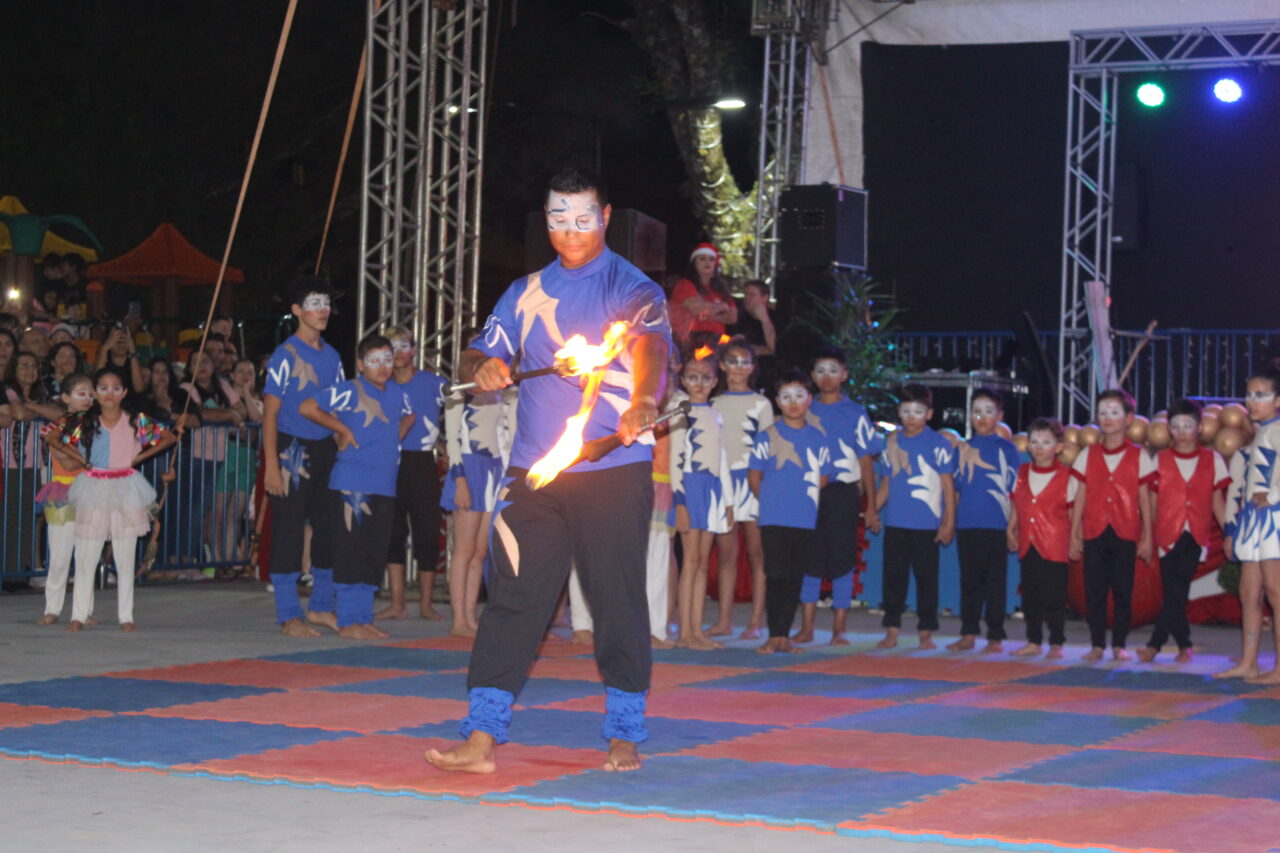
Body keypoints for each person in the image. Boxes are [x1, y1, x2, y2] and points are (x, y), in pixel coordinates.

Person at [426, 166, 670, 776]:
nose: (570, 230)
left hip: (613, 467)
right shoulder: (526, 289)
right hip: (534, 474)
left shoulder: (632, 286)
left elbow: (652, 349)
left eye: (582, 217)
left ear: (605, 216)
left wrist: (644, 399)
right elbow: (481, 347)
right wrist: (482, 364)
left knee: (615, 600)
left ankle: (623, 732)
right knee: (513, 600)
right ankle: (481, 736)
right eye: (558, 218)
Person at [300, 334, 413, 639]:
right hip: (353, 485)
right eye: (374, 361)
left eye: (388, 360)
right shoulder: (350, 390)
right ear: (361, 364)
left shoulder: (398, 394)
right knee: (351, 552)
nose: (382, 367)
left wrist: (394, 437)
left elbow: (411, 415)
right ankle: (349, 620)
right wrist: (341, 429)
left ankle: (362, 616)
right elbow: (308, 407)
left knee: (373, 554)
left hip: (385, 486)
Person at [56, 366, 176, 631]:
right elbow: (56, 438)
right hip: (94, 485)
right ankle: (78, 614)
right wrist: (80, 459)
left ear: (124, 392)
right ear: (95, 394)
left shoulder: (135, 420)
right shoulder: (86, 421)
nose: (109, 394)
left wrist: (140, 457)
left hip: (126, 485)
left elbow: (167, 437)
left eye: (115, 388)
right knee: (86, 553)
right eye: (103, 388)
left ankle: (126, 616)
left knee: (125, 554)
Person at [262, 277, 345, 638]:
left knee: (328, 529)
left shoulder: (333, 356)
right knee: (289, 531)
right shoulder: (286, 354)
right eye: (314, 303)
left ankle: (322, 607)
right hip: (291, 448)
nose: (322, 309)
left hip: (325, 448)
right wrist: (272, 465)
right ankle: (288, 614)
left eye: (325, 302)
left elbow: (339, 406)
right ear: (296, 310)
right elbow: (270, 413)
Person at [794, 348, 883, 646]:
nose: (826, 376)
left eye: (833, 370)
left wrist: (870, 505)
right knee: (809, 556)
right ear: (812, 376)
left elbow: (866, 460)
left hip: (843, 492)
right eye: (820, 370)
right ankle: (806, 626)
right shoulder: (803, 409)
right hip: (808, 493)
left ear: (844, 375)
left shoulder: (855, 412)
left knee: (843, 557)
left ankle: (839, 627)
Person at [1136, 399, 1229, 664]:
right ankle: (1183, 645)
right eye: (1176, 426)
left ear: (1200, 427)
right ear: (1169, 430)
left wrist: (1229, 534)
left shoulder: (1213, 459)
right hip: (1166, 534)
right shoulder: (1160, 459)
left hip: (1195, 535)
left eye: (1188, 425)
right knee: (1173, 592)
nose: (1182, 431)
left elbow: (1217, 502)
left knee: (1178, 590)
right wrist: (1146, 536)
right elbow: (1151, 501)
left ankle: (1156, 645)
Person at [748, 370, 834, 654]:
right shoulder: (768, 436)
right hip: (774, 517)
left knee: (795, 575)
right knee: (776, 574)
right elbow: (754, 475)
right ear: (777, 402)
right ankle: (774, 635)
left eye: (799, 396)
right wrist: (770, 501)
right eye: (786, 397)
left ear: (809, 399)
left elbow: (823, 477)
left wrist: (802, 500)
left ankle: (785, 635)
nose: (793, 402)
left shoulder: (818, 437)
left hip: (804, 517)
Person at [1069, 389, 1156, 662]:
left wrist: (1147, 536)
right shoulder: (1088, 454)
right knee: (1094, 589)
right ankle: (1096, 644)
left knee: (1122, 590)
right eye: (1103, 413)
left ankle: (1119, 644)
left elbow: (1145, 498)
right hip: (1094, 530)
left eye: (1114, 412)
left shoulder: (1139, 456)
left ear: (1128, 418)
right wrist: (1074, 533)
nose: (1107, 418)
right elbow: (1080, 494)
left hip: (1125, 530)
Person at [874, 383, 957, 650]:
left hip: (926, 525)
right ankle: (892, 629)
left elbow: (948, 487)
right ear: (899, 412)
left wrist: (948, 522)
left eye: (918, 411)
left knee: (926, 580)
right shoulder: (892, 442)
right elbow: (885, 484)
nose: (911, 417)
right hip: (896, 523)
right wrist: (872, 511)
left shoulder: (939, 444)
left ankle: (926, 631)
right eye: (906, 411)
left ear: (929, 414)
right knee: (893, 579)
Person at [376, 326, 450, 626]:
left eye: (403, 346)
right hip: (390, 463)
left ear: (414, 350)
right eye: (392, 347)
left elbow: (460, 410)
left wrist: (447, 447)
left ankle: (427, 604)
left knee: (426, 533)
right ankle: (397, 603)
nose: (398, 353)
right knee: (392, 533)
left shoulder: (432, 383)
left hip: (422, 463)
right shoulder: (381, 386)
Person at [1217, 371, 1280, 681]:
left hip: (1273, 519)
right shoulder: (1260, 434)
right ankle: (1249, 661)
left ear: (1278, 401)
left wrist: (1273, 495)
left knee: (1275, 591)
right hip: (1254, 519)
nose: (1252, 402)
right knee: (1249, 591)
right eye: (1249, 394)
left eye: (1261, 395)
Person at [708, 336, 773, 638]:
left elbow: (768, 448)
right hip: (723, 483)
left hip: (753, 480)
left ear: (752, 367)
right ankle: (724, 619)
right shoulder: (713, 403)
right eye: (731, 361)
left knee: (758, 552)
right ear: (721, 366)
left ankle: (756, 621)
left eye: (744, 362)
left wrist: (761, 484)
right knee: (726, 553)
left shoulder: (761, 404)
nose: (737, 367)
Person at [439, 379, 515, 629]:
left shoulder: (503, 392)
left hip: (494, 469)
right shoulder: (459, 392)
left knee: (480, 553)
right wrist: (459, 480)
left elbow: (507, 434)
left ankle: (470, 617)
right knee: (464, 550)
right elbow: (451, 439)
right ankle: (458, 620)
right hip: (468, 468)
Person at [670, 349, 732, 650]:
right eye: (692, 378)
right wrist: (679, 502)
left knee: (702, 563)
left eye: (705, 378)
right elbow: (675, 460)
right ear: (682, 380)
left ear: (714, 381)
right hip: (690, 486)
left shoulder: (715, 414)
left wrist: (728, 502)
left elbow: (722, 459)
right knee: (690, 560)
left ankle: (696, 630)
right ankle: (685, 632)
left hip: (712, 488)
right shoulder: (681, 411)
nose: (698, 383)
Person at [948, 388, 1019, 653]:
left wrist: (1013, 527)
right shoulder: (962, 448)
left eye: (989, 411)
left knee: (995, 582)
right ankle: (968, 632)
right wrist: (951, 521)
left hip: (997, 524)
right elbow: (955, 489)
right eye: (977, 411)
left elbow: (1015, 491)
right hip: (967, 524)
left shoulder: (1007, 449)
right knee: (969, 580)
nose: (982, 417)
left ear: (999, 415)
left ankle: (995, 635)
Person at [1008, 418, 1076, 659]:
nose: (1038, 447)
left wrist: (1075, 539)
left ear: (1058, 447)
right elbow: (1017, 503)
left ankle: (1056, 641)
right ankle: (1033, 640)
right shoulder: (1023, 472)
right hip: (1029, 544)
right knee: (1031, 595)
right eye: (1034, 441)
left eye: (1046, 442)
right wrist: (1011, 529)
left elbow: (1072, 513)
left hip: (1055, 544)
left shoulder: (1067, 476)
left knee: (1055, 596)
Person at [36, 373, 94, 625]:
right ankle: (52, 607)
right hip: (64, 491)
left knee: (87, 555)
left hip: (90, 491)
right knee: (60, 553)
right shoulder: (56, 427)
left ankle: (85, 610)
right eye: (82, 393)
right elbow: (67, 463)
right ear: (66, 397)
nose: (88, 398)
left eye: (91, 394)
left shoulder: (97, 426)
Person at [669, 243, 737, 349]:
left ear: (716, 264)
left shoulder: (721, 289)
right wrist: (721, 307)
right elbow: (696, 308)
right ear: (694, 263)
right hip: (690, 340)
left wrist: (707, 314)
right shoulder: (684, 284)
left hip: (716, 341)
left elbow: (732, 317)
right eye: (702, 258)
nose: (707, 262)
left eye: (711, 259)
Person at [95, 325, 146, 397]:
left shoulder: (135, 365)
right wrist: (105, 348)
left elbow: (139, 389)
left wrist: (132, 350)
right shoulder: (103, 362)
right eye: (116, 338)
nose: (120, 340)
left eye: (124, 337)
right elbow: (96, 383)